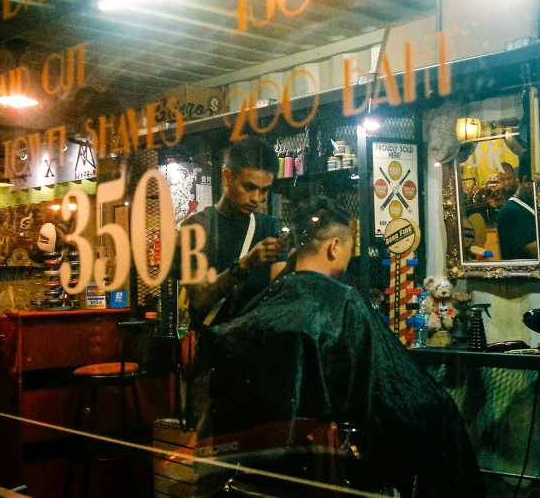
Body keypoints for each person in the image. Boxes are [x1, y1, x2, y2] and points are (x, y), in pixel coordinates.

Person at [193, 197, 485, 498]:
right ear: (334, 246)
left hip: (263, 471)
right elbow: (394, 391)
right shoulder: (344, 303)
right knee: (439, 413)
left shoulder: (269, 302)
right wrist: (438, 407)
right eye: (348, 246)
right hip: (329, 467)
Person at [182, 137, 287, 328]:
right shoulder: (197, 228)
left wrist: (299, 260)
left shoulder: (270, 227)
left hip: (257, 346)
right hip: (214, 350)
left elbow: (280, 294)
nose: (257, 198)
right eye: (249, 187)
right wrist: (245, 265)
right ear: (226, 177)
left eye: (264, 190)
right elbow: (200, 300)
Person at [497, 149, 538, 260]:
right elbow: (537, 252)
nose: (506, 183)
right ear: (525, 181)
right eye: (539, 183)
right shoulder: (511, 212)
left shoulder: (531, 204)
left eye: (508, 178)